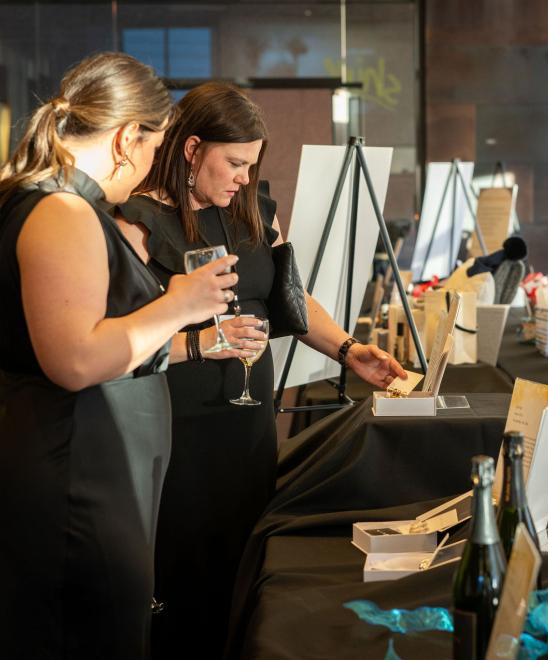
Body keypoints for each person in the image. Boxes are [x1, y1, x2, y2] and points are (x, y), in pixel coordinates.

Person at [114, 82, 407, 660]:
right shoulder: (137, 222)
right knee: (181, 580)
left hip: (246, 424)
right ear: (192, 149)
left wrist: (349, 349)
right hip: (176, 430)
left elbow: (292, 301)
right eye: (236, 163)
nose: (245, 177)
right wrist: (201, 340)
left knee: (241, 571)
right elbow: (120, 342)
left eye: (252, 164)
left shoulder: (254, 209)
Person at [0, 53, 239, 659]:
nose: (147, 170)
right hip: (76, 475)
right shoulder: (62, 210)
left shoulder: (54, 204)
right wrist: (180, 305)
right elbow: (74, 360)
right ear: (129, 136)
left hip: (84, 467)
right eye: (155, 148)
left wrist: (186, 338)